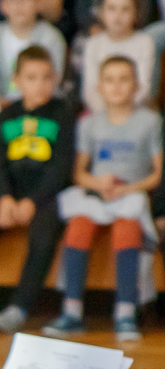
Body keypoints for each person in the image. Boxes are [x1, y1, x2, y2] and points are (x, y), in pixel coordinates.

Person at [47, 55, 162, 341]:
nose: (117, 86)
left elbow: (157, 174)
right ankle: (71, 312)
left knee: (127, 226)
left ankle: (125, 312)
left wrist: (127, 189)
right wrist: (98, 184)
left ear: (136, 85)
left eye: (124, 79)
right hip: (97, 193)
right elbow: (79, 173)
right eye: (110, 80)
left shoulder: (150, 121)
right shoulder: (89, 124)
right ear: (99, 87)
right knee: (78, 227)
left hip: (132, 195)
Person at [0, 45, 77, 333]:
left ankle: (19, 307)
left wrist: (31, 201)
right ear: (17, 80)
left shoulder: (63, 114)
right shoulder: (5, 115)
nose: (40, 84)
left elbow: (61, 168)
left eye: (46, 77)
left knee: (43, 234)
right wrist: (4, 198)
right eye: (32, 77)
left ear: (55, 79)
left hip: (46, 192)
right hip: (7, 189)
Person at [81, 0, 157, 113]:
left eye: (125, 9)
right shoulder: (93, 44)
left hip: (135, 111)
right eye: (112, 8)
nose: (118, 15)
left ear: (135, 14)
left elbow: (143, 88)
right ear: (101, 13)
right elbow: (90, 90)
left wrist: (123, 113)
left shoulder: (144, 43)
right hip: (101, 112)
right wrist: (109, 114)